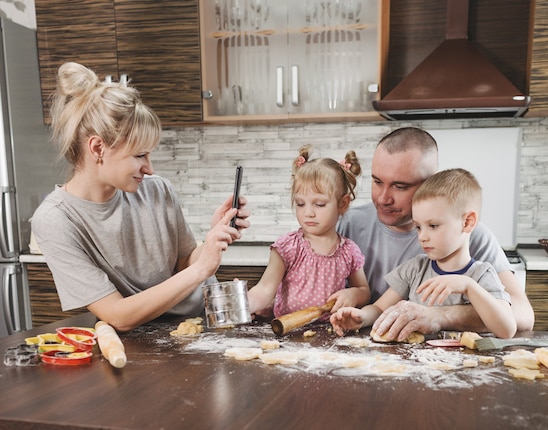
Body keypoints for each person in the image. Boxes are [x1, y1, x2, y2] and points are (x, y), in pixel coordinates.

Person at [31, 62, 250, 332]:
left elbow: (183, 263)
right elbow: (117, 315)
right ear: (98, 147)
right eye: (139, 156)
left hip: (201, 328)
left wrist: (212, 240)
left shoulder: (157, 189)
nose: (149, 168)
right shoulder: (56, 220)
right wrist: (202, 269)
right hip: (143, 341)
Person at [337, 127, 534, 340]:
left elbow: (522, 316)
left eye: (400, 186)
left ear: (429, 183)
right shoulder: (345, 225)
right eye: (377, 182)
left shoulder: (468, 234)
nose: (384, 198)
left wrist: (440, 316)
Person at [247, 145, 370, 318]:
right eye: (300, 204)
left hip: (332, 334)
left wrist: (354, 294)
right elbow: (265, 289)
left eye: (319, 204)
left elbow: (365, 291)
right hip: (287, 332)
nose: (308, 213)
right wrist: (242, 305)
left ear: (342, 204)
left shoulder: (349, 252)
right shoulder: (288, 247)